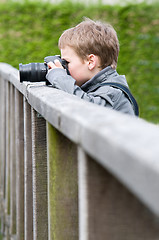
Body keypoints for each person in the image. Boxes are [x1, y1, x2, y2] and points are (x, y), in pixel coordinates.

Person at [46, 18, 137, 115]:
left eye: (67, 62)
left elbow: (88, 109)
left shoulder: (111, 93)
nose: (64, 67)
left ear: (91, 62)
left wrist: (60, 78)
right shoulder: (94, 87)